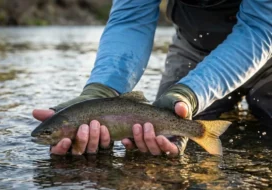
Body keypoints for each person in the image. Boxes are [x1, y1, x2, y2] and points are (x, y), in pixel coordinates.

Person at [33, 0, 272, 156]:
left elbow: (261, 26)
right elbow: (131, 20)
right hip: (194, 46)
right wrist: (103, 89)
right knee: (168, 142)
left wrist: (194, 91)